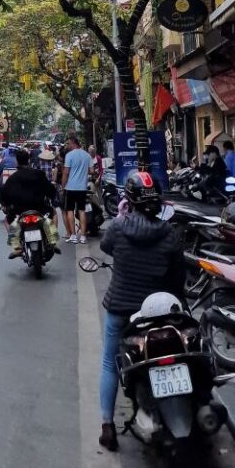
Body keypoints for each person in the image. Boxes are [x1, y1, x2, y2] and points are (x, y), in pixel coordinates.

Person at [98, 170, 186, 452]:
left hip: (120, 307)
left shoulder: (118, 228)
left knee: (110, 364)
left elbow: (106, 246)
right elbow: (177, 277)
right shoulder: (169, 234)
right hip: (158, 313)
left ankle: (107, 425)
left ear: (129, 201)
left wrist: (122, 219)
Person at [0, 149, 57, 256]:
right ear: (29, 160)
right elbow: (51, 190)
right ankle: (53, 240)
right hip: (39, 209)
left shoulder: (12, 178)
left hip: (19, 211)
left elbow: (4, 194)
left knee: (6, 220)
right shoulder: (39, 174)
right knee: (54, 212)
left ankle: (16, 247)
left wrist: (5, 205)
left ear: (17, 161)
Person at [62, 136, 92, 243]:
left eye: (69, 143)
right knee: (81, 211)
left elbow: (66, 173)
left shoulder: (69, 155)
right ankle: (83, 236)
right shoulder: (87, 155)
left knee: (70, 210)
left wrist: (62, 185)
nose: (68, 145)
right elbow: (91, 171)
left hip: (70, 187)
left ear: (74, 143)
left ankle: (73, 235)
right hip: (82, 188)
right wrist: (82, 172)